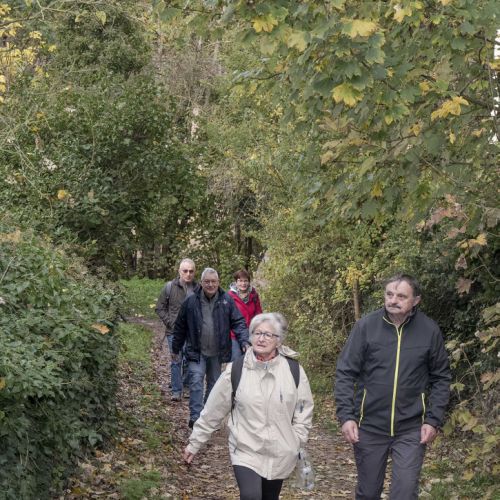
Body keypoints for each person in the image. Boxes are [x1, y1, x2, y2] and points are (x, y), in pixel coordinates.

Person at [335, 273, 451, 500]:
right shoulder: (366, 326)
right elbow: (345, 372)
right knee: (368, 492)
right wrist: (346, 416)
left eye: (401, 296)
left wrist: (433, 420)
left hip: (411, 428)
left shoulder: (429, 330)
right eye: (389, 294)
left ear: (416, 300)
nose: (393, 300)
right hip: (369, 425)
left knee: (405, 492)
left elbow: (441, 378)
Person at [183, 312, 314, 500]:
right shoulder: (236, 370)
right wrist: (195, 442)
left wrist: (297, 439)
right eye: (257, 333)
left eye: (268, 334)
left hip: (281, 451)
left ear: (278, 340)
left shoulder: (293, 370)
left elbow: (303, 409)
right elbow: (213, 410)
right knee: (251, 495)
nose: (261, 338)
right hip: (245, 449)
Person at [172, 267, 250, 428]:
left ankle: (206, 415)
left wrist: (244, 341)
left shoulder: (226, 300)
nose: (210, 285)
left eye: (213, 281)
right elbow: (180, 325)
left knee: (214, 385)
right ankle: (196, 417)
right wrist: (175, 348)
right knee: (196, 382)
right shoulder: (191, 301)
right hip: (196, 350)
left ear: (218, 282)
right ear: (201, 283)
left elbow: (238, 322)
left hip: (217, 352)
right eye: (207, 281)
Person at [155, 258, 197, 401]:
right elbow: (159, 308)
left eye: (191, 271)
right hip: (173, 331)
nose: (188, 274)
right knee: (176, 360)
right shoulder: (169, 287)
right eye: (185, 271)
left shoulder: (198, 288)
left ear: (194, 272)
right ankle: (176, 391)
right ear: (179, 271)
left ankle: (186, 387)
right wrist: (170, 322)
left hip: (191, 332)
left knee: (188, 360)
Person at [228, 269, 263, 361]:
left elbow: (259, 315)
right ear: (236, 282)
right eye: (240, 281)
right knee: (236, 359)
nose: (243, 283)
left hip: (251, 333)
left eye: (245, 281)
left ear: (249, 282)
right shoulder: (229, 297)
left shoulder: (254, 295)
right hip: (234, 335)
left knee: (252, 360)